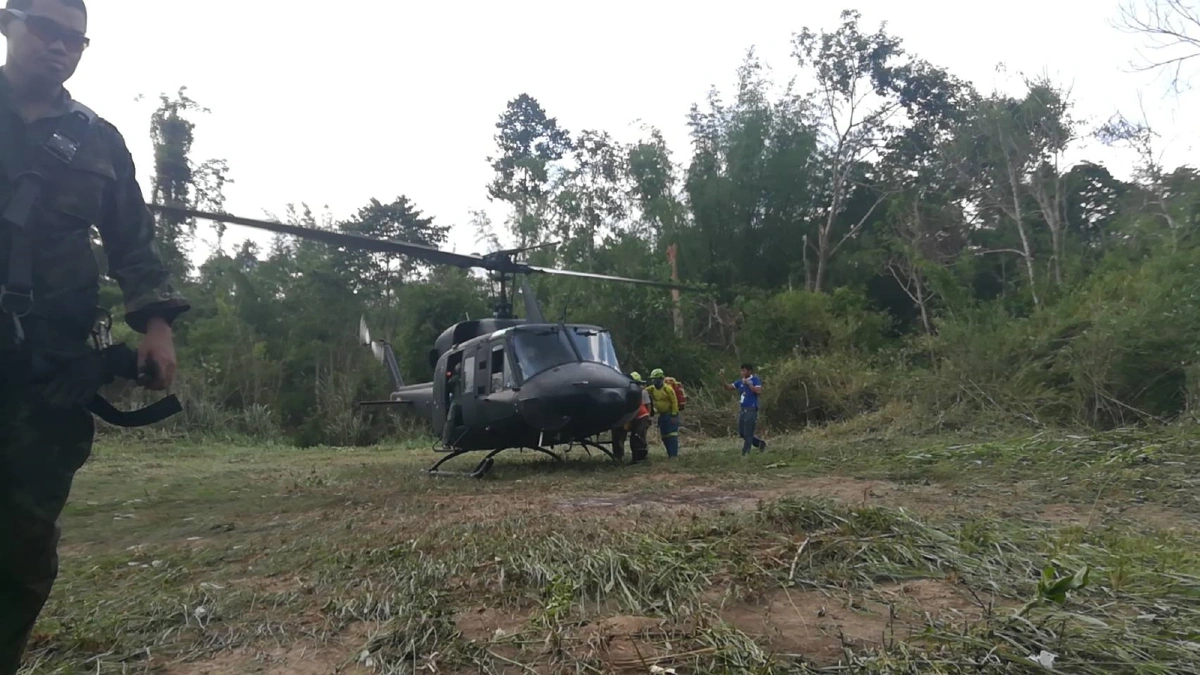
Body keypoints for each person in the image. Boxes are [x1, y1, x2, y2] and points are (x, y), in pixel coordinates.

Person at [0, 1, 189, 671]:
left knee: (23, 547)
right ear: (7, 23)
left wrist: (157, 326)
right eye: (47, 31)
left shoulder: (97, 140)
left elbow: (133, 243)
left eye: (75, 40)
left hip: (49, 376)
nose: (61, 48)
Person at [722, 363, 767, 455]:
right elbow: (728, 387)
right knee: (742, 432)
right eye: (741, 370)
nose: (742, 373)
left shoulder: (755, 380)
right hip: (743, 409)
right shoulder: (740, 382)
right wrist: (722, 378)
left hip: (751, 408)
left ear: (749, 371)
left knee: (748, 432)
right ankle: (760, 444)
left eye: (744, 370)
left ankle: (746, 452)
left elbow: (758, 391)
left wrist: (749, 384)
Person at [612, 371, 651, 464]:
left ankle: (640, 459)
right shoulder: (631, 391)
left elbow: (645, 405)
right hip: (632, 418)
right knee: (634, 438)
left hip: (640, 417)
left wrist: (648, 416)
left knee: (637, 437)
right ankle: (635, 459)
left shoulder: (637, 392)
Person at [646, 368, 680, 458]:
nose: (653, 381)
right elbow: (643, 391)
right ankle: (669, 454)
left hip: (670, 415)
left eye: (655, 379)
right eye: (652, 379)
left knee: (672, 435)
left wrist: (673, 415)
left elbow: (674, 402)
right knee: (664, 436)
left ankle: (673, 455)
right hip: (662, 415)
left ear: (661, 379)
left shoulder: (667, 389)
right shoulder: (652, 389)